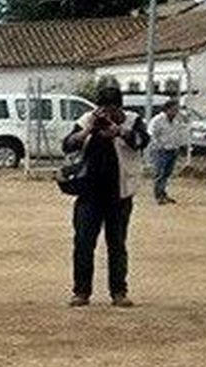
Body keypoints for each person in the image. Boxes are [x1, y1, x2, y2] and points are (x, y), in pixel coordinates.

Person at [62, 85, 149, 307]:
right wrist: (87, 130)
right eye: (103, 109)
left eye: (112, 110)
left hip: (119, 194)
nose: (107, 115)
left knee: (117, 244)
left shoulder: (132, 121)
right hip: (89, 194)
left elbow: (142, 141)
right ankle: (81, 291)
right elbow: (67, 145)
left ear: (120, 107)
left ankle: (119, 291)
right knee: (83, 243)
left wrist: (119, 131)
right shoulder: (86, 120)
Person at [147, 99, 186, 204]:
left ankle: (163, 193)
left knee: (167, 174)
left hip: (173, 150)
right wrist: (159, 146)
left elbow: (179, 133)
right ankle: (158, 196)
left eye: (177, 110)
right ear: (167, 109)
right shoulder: (157, 120)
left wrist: (179, 146)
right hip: (161, 151)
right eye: (174, 110)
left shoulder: (176, 120)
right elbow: (152, 134)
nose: (176, 112)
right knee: (160, 173)